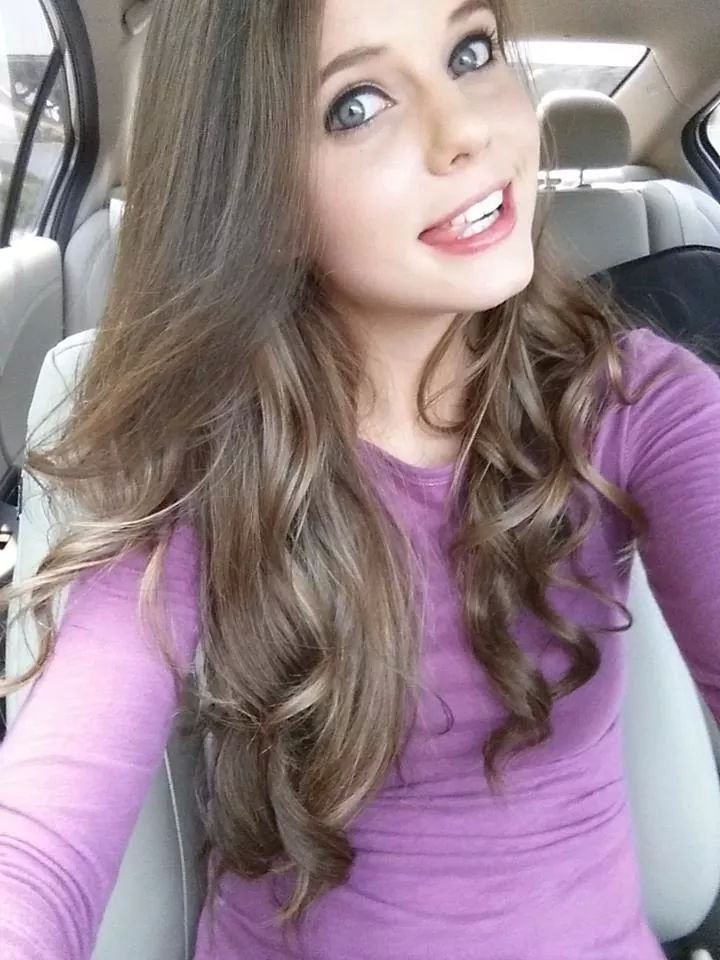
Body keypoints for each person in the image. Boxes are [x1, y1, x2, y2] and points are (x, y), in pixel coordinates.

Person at [1, 0, 719, 957]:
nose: (465, 130)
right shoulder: (197, 463)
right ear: (255, 193)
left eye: (470, 50)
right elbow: (41, 836)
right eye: (357, 104)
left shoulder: (643, 405)